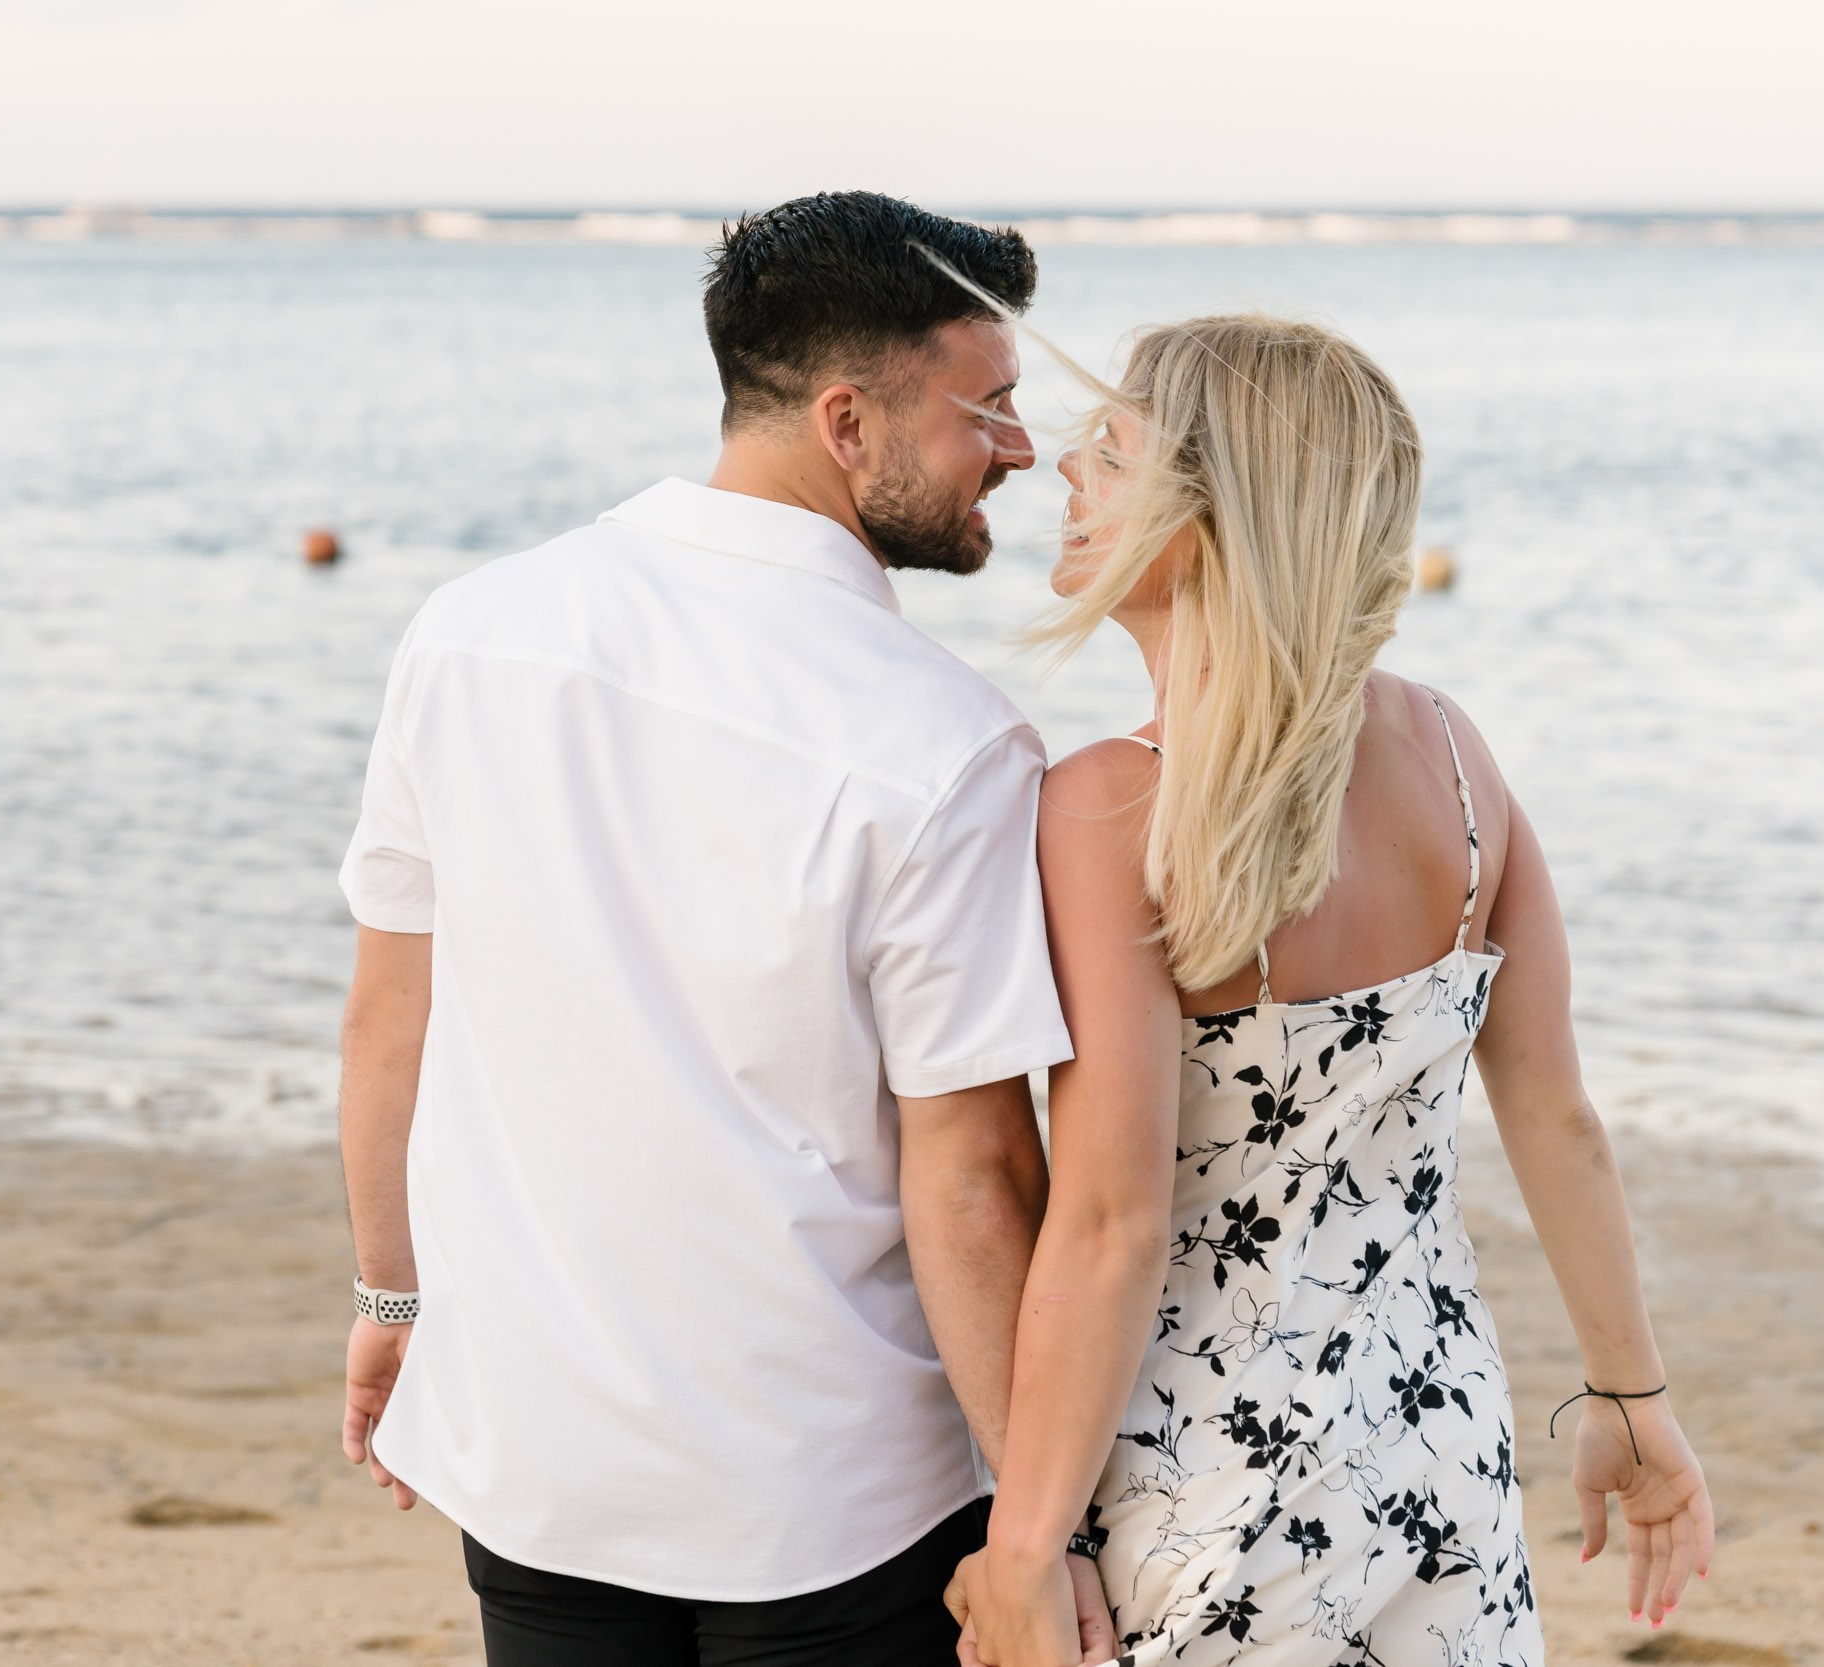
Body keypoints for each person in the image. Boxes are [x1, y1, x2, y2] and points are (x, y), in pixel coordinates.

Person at [333, 192, 1112, 1667]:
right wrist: (1041, 1530)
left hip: (538, 1454)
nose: (1021, 450)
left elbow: (391, 1015)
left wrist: (391, 1291)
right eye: (991, 409)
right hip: (829, 1502)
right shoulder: (942, 743)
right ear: (848, 423)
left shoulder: (473, 627)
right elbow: (971, 1172)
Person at [946, 317, 1716, 1665]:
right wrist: (1633, 1403)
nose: (1067, 472)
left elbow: (1113, 1221)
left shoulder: (1111, 807)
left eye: (1112, 455)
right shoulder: (1455, 756)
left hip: (1209, 1494)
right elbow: (1557, 1119)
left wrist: (1023, 1552)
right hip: (1438, 1461)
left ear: (1210, 512)